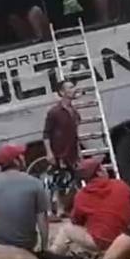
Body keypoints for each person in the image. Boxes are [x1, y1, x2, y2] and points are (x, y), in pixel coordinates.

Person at [51, 156, 130, 256]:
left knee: (66, 229)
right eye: (102, 167)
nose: (105, 169)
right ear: (99, 172)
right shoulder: (121, 185)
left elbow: (76, 221)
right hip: (125, 238)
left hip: (101, 242)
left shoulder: (82, 195)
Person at [0, 144, 51, 254]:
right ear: (16, 161)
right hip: (27, 247)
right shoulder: (35, 184)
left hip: (1, 247)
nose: (24, 157)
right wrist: (44, 248)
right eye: (21, 156)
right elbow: (42, 221)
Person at [44, 80, 82, 216]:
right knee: (53, 182)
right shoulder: (54, 112)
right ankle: (48, 211)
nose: (74, 90)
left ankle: (61, 209)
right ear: (62, 92)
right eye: (70, 87)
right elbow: (46, 133)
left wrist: (77, 152)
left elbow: (75, 133)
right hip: (58, 152)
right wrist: (49, 152)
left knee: (67, 181)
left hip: (70, 152)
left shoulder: (74, 112)